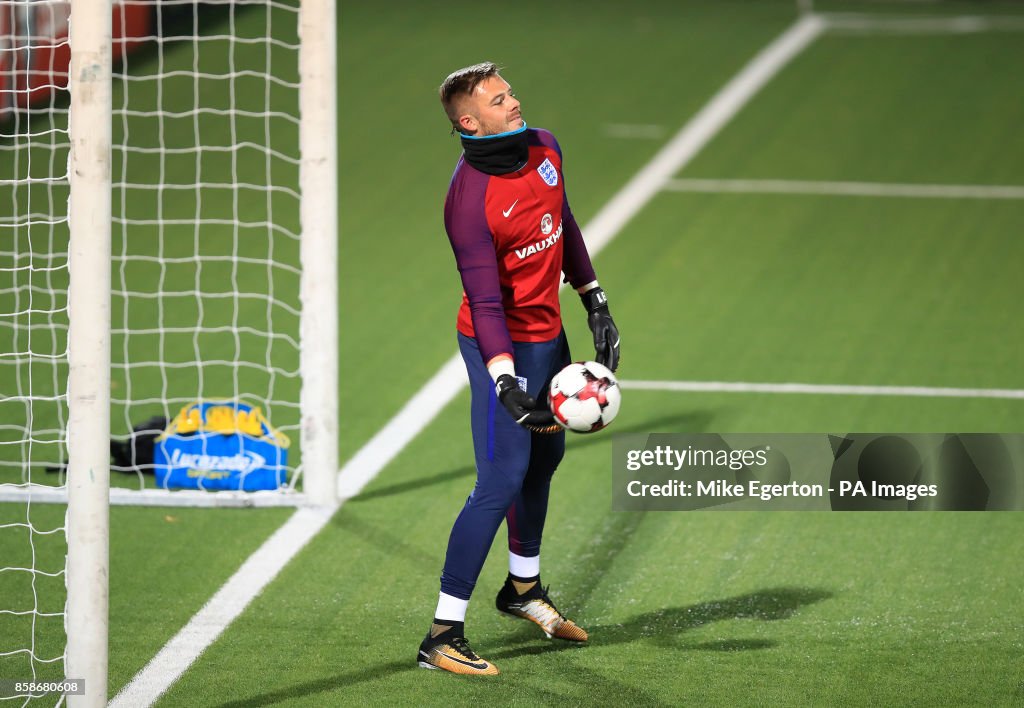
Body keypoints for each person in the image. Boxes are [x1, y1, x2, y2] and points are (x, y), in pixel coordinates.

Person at [417, 62, 621, 676]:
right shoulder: (467, 201)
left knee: (547, 459)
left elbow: (564, 220)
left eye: (510, 93)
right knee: (501, 476)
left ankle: (522, 590)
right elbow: (484, 302)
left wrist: (594, 297)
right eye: (500, 99)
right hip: (494, 341)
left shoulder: (545, 147)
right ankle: (441, 633)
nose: (515, 103)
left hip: (546, 335)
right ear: (468, 121)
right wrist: (504, 380)